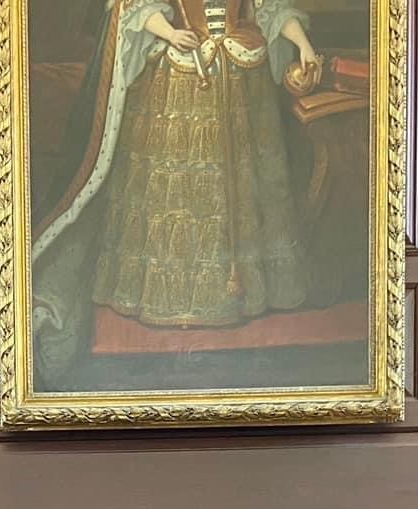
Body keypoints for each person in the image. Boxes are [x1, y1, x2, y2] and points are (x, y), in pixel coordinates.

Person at [27, 0, 323, 383]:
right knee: (181, 198)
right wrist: (170, 33)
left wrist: (304, 46)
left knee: (243, 193)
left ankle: (242, 294)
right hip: (179, 76)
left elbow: (269, 9)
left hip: (241, 81)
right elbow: (132, 7)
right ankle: (178, 299)